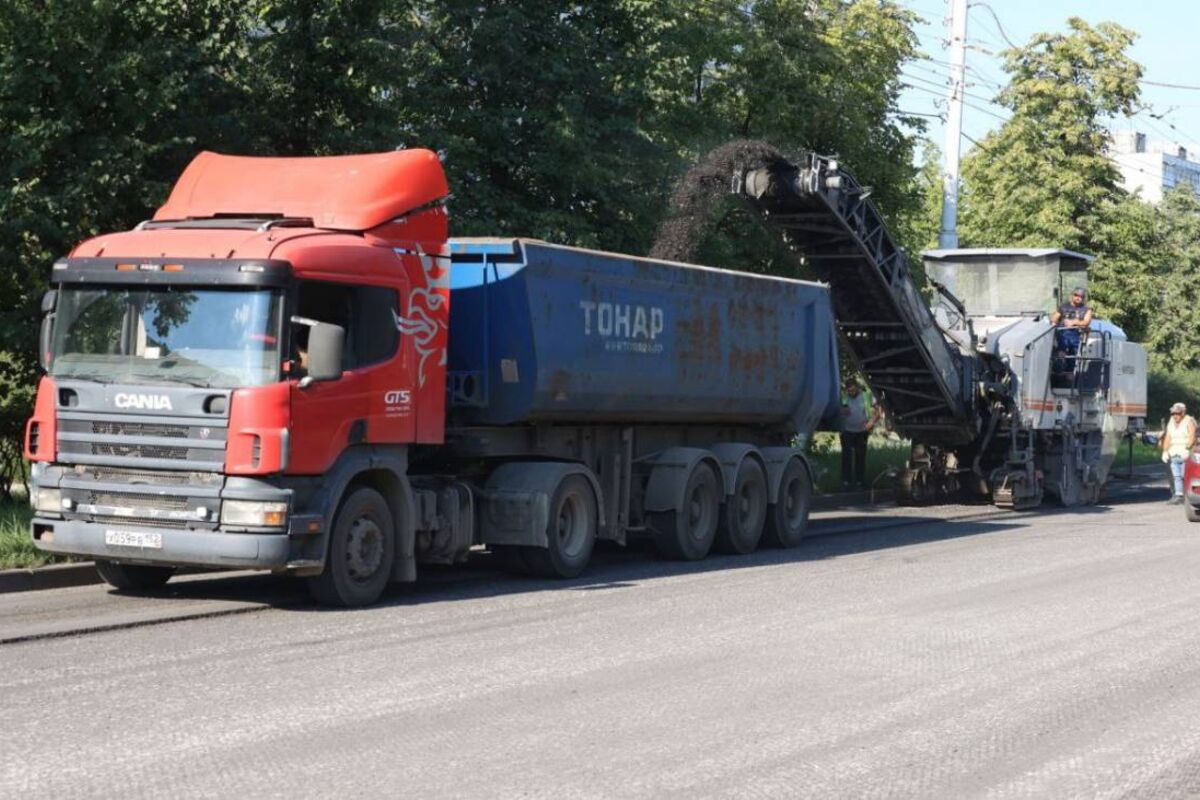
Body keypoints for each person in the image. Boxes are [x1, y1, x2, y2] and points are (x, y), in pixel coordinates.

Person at [840, 378, 880, 490]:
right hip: (847, 431)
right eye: (849, 391)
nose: (851, 393)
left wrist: (871, 422)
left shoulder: (866, 396)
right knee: (846, 457)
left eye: (853, 390)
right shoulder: (844, 397)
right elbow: (839, 411)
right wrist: (842, 411)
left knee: (860, 456)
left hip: (862, 432)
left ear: (857, 387)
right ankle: (846, 482)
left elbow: (878, 411)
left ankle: (859, 482)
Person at [1161, 402, 1197, 504]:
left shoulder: (1189, 421)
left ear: (1183, 413)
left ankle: (1188, 496)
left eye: (1177, 413)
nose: (1175, 416)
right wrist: (1165, 451)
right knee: (1176, 476)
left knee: (1184, 476)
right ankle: (1179, 495)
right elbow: (1168, 437)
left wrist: (1187, 449)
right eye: (1173, 414)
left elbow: (1192, 437)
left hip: (1185, 453)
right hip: (1174, 453)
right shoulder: (1171, 422)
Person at [1050, 286, 1093, 356]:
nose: (1078, 298)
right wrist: (1054, 322)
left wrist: (1073, 322)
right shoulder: (1064, 306)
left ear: (1083, 298)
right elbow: (1053, 318)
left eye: (1081, 296)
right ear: (1072, 295)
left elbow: (1086, 322)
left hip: (1077, 335)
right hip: (1062, 333)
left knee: (1073, 354)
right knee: (1060, 349)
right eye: (1076, 295)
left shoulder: (1087, 309)